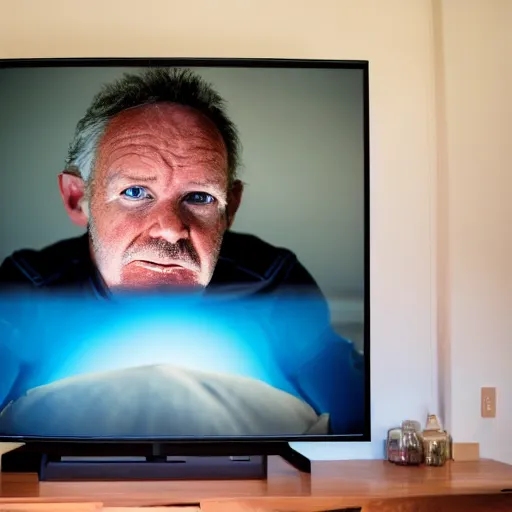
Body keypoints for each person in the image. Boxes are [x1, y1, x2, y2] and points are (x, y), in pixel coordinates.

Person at [0, 68, 365, 436]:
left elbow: (357, 418)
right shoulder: (26, 291)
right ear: (78, 199)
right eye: (135, 192)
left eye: (200, 197)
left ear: (230, 209)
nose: (171, 229)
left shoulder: (272, 283)